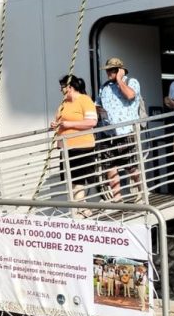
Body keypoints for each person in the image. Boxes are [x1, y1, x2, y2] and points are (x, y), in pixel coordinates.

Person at [95, 57, 142, 201]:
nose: (108, 73)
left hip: (125, 130)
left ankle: (141, 190)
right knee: (110, 165)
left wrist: (120, 80)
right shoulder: (105, 86)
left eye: (112, 70)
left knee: (130, 165)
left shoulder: (131, 82)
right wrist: (99, 110)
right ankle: (117, 197)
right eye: (107, 70)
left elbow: (130, 95)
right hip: (108, 131)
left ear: (120, 70)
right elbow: (97, 103)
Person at [50, 75, 98, 209]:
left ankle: (79, 210)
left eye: (62, 87)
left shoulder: (84, 100)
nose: (61, 90)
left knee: (78, 181)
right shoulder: (64, 103)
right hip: (66, 147)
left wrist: (68, 124)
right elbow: (62, 121)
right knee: (71, 182)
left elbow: (92, 122)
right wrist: (56, 125)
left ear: (70, 87)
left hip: (81, 146)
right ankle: (81, 209)